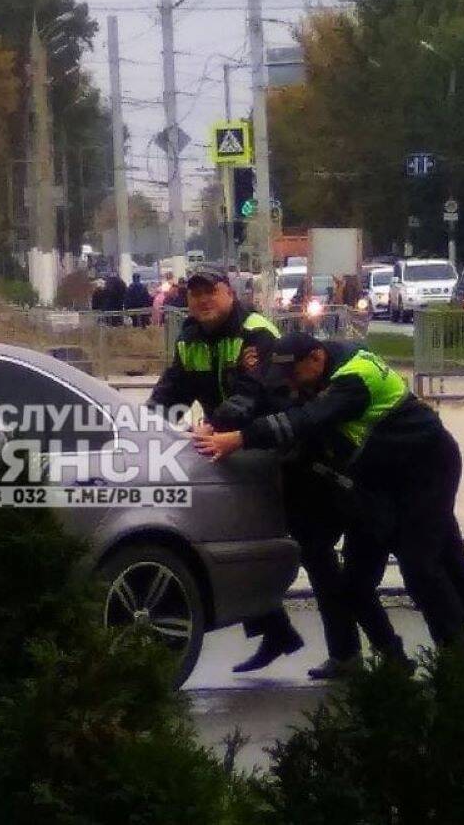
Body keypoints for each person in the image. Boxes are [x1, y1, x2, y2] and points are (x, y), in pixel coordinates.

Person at [194, 333, 464, 670]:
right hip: (380, 480)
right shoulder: (319, 368)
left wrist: (238, 439)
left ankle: (462, 669)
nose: (291, 383)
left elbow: (306, 419)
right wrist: (215, 422)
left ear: (316, 358)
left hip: (424, 470)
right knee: (361, 582)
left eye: (294, 373)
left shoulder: (353, 379)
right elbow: (268, 398)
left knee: (425, 570)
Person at [150, 264, 342, 675]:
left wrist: (214, 426)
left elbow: (252, 395)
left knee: (315, 552)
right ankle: (277, 632)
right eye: (194, 293)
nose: (201, 300)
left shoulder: (256, 333)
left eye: (210, 291)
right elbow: (172, 389)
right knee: (238, 541)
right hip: (239, 452)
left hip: (286, 451)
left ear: (229, 293)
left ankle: (346, 653)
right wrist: (145, 427)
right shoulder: (190, 337)